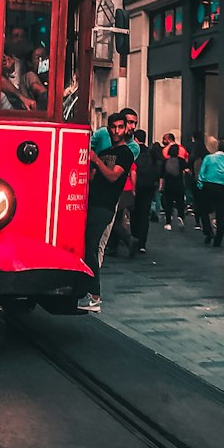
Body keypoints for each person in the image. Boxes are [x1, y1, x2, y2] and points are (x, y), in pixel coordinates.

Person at [80, 112, 133, 313]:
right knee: (87, 247)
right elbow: (93, 179)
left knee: (92, 247)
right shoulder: (104, 152)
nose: (117, 131)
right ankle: (87, 291)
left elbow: (113, 177)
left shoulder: (126, 153)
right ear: (108, 128)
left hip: (105, 207)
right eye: (114, 127)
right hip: (92, 204)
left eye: (121, 127)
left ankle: (94, 296)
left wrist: (97, 161)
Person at [196, 136, 224, 246]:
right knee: (220, 212)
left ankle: (208, 231)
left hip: (208, 185)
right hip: (221, 187)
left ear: (217, 147)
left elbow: (202, 173)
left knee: (203, 210)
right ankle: (218, 238)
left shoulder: (208, 158)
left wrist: (200, 185)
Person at [129, 131, 159, 253]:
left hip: (135, 186)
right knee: (144, 215)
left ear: (135, 138)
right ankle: (142, 243)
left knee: (134, 214)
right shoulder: (151, 152)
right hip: (148, 187)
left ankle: (134, 238)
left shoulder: (133, 151)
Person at [161, 140, 188, 228]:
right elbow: (187, 169)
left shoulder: (165, 161)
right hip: (179, 184)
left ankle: (168, 222)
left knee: (168, 203)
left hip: (168, 185)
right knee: (180, 202)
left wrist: (161, 185)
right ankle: (180, 217)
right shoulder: (181, 161)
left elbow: (161, 174)